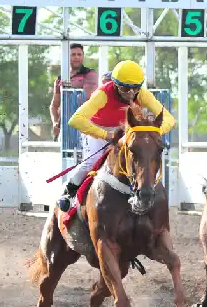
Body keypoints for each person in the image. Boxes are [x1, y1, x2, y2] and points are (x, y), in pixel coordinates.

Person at [57, 60, 176, 212]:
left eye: (136, 88)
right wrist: (106, 135)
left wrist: (151, 132)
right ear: (115, 84)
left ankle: (142, 191)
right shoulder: (103, 94)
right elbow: (75, 120)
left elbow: (169, 120)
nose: (131, 93)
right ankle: (68, 191)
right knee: (92, 161)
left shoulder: (143, 94)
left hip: (126, 130)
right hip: (98, 129)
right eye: (125, 88)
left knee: (142, 157)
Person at [50, 43, 100, 138]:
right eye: (73, 54)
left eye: (79, 54)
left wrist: (68, 90)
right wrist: (55, 122)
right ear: (66, 57)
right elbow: (54, 105)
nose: (76, 57)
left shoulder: (90, 74)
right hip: (65, 129)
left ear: (83, 56)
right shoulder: (60, 79)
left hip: (84, 127)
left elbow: (86, 99)